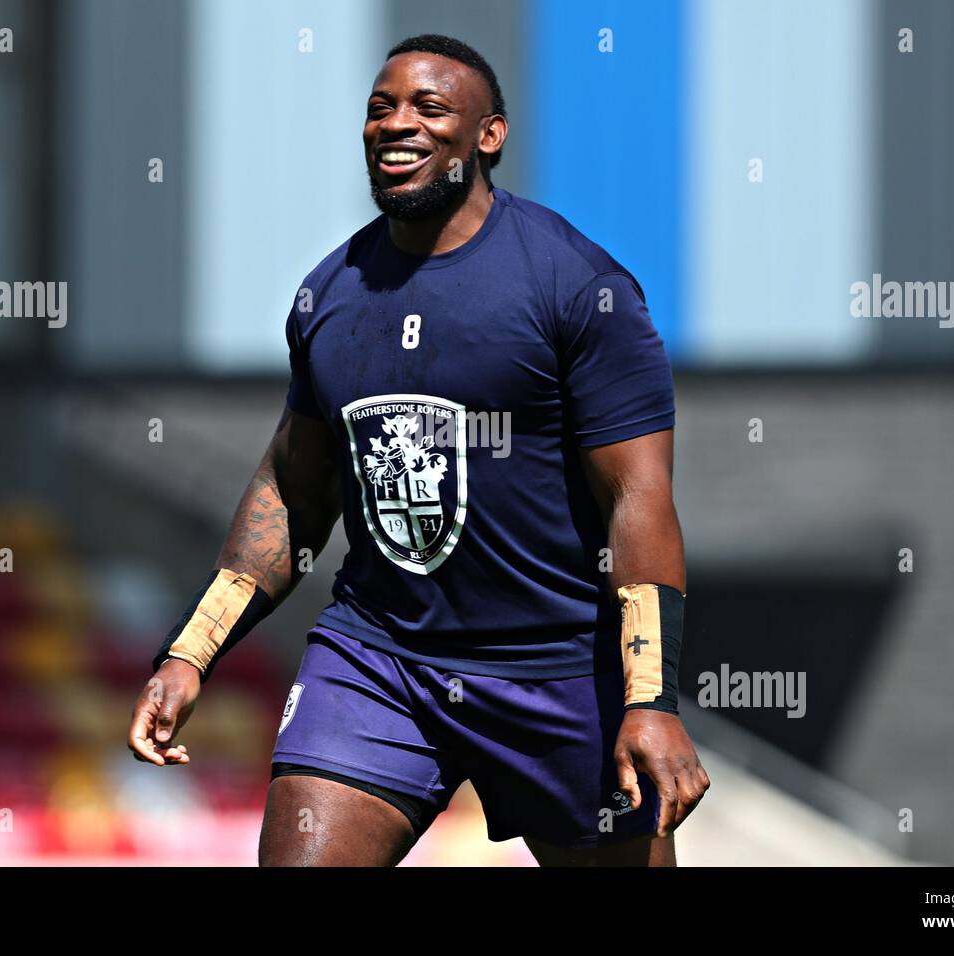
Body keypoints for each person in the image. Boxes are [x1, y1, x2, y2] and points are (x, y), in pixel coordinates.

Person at [128, 34, 708, 866]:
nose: (397, 124)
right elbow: (294, 495)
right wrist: (190, 652)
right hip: (380, 661)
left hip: (558, 674)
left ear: (489, 136)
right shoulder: (328, 295)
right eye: (380, 108)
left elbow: (638, 500)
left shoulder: (579, 287)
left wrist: (650, 700)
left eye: (429, 107)